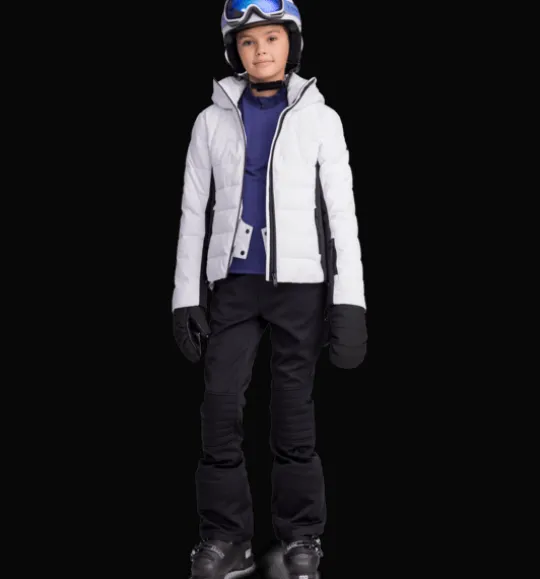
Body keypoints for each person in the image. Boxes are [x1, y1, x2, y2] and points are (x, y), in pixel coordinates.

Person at [172, 1, 367, 577]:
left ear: (292, 44)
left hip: (299, 289)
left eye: (272, 38)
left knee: (292, 411)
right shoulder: (210, 122)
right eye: (249, 41)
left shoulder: (321, 120)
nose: (261, 51)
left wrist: (350, 302)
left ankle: (302, 536)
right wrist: (186, 296)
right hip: (233, 286)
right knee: (219, 406)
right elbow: (192, 213)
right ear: (235, 50)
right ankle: (226, 538)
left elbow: (342, 215)